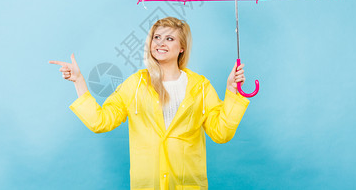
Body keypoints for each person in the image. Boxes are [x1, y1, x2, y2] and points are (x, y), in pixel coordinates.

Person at [49, 17, 250, 190]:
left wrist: (232, 90)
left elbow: (221, 133)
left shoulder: (200, 86)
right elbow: (100, 121)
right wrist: (79, 81)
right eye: (157, 37)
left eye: (169, 38)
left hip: (187, 183)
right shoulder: (135, 84)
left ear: (182, 47)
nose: (160, 43)